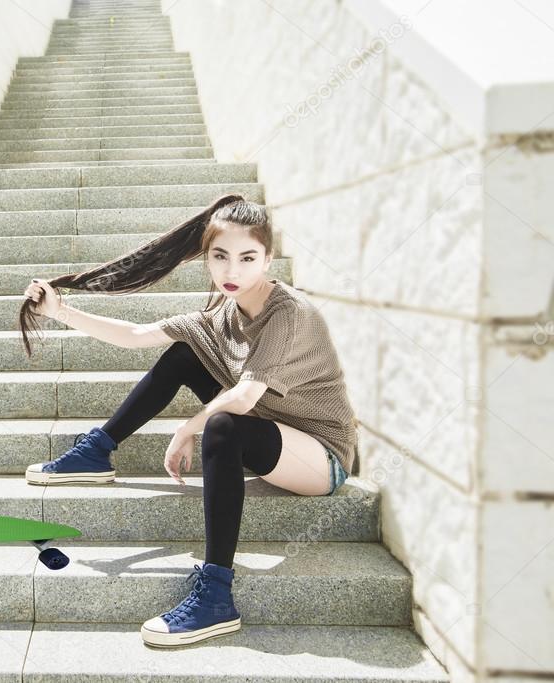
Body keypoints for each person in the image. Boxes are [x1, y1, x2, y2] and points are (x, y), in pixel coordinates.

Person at [18, 194, 359, 648]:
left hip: (321, 457)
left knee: (221, 424)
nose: (231, 272)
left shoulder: (289, 314)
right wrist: (60, 311)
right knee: (184, 351)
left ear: (268, 259)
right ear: (207, 257)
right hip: (272, 434)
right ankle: (98, 451)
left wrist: (189, 427)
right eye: (220, 257)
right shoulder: (224, 314)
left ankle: (216, 597)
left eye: (247, 258)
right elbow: (136, 335)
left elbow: (245, 396)